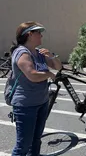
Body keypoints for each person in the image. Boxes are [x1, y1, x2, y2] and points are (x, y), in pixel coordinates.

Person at [10, 21, 62, 156]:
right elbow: (32, 75)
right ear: (29, 34)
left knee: (36, 141)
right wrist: (49, 74)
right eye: (38, 32)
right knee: (23, 145)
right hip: (26, 105)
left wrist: (51, 56)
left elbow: (58, 66)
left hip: (42, 102)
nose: (41, 36)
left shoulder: (39, 53)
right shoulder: (21, 52)